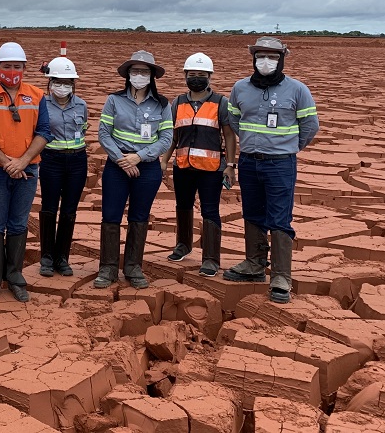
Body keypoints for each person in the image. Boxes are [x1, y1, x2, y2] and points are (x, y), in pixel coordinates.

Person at [223, 36, 318, 304]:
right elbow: (234, 120)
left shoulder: (298, 90)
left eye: (273, 56)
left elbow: (310, 126)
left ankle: (280, 276)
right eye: (261, 56)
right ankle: (254, 264)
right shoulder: (240, 88)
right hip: (250, 161)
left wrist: (288, 147)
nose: (266, 61)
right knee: (252, 212)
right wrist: (253, 144)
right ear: (253, 58)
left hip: (280, 163)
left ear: (282, 59)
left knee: (279, 218)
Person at [0, 42, 51, 302]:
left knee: (18, 223)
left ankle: (15, 276)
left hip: (27, 171)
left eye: (17, 66)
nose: (12, 70)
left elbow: (44, 132)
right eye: (7, 66)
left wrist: (24, 161)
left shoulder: (37, 95)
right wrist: (7, 162)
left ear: (24, 68)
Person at [95, 50, 173, 289]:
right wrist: (121, 159)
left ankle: (132, 266)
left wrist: (138, 157)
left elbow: (166, 138)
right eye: (135, 71)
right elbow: (103, 134)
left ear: (152, 76)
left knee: (139, 216)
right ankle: (108, 268)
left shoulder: (162, 104)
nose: (139, 75)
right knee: (111, 215)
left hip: (147, 168)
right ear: (128, 75)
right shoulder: (114, 100)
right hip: (117, 167)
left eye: (144, 71)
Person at [160, 52, 238, 277]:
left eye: (201, 74)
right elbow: (173, 136)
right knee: (183, 205)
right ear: (185, 76)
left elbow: (229, 135)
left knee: (210, 210)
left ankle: (211, 259)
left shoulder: (221, 102)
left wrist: (230, 165)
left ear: (209, 77)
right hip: (183, 166)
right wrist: (165, 159)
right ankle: (183, 245)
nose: (196, 78)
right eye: (192, 74)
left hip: (211, 168)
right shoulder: (178, 103)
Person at [37, 56, 89, 277]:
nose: (62, 86)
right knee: (49, 208)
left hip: (77, 161)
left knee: (69, 210)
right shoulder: (42, 104)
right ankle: (47, 257)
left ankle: (62, 258)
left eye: (67, 82)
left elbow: (84, 129)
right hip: (51, 160)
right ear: (49, 82)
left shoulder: (81, 105)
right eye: (58, 81)